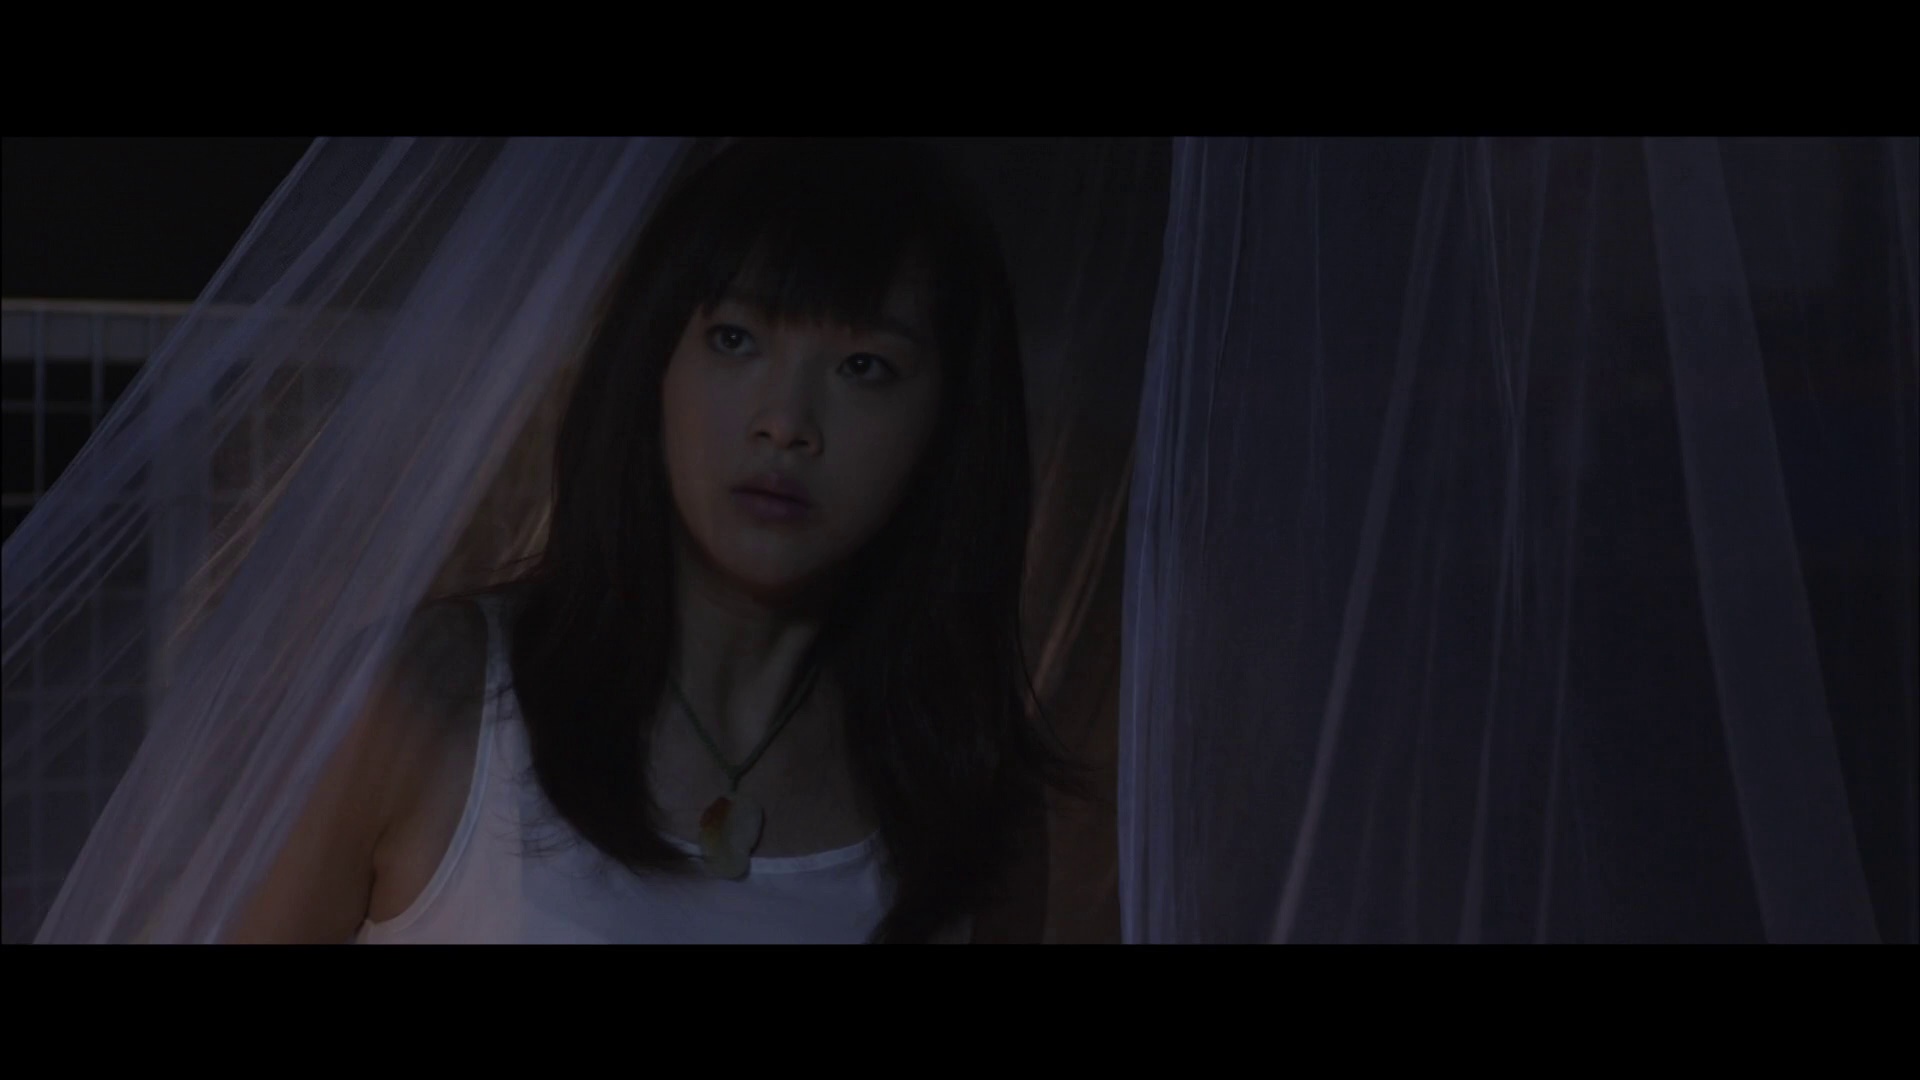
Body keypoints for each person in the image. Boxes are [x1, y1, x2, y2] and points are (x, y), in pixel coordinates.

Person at [227, 138, 1070, 944]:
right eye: (735, 339)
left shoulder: (968, 806)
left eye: (863, 366)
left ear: (948, 422)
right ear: (654, 366)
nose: (785, 422)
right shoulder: (426, 700)